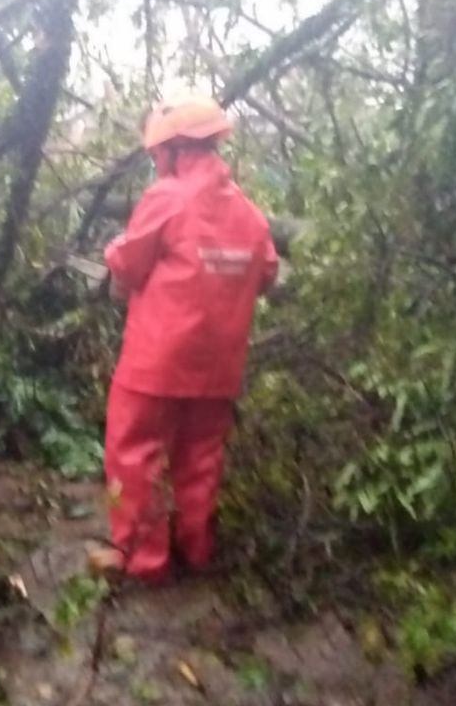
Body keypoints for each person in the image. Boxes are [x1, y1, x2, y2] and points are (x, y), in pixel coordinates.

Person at [90, 95, 279, 582]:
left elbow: (129, 265)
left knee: (134, 456)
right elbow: (267, 273)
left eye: (157, 154)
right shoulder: (250, 215)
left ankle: (142, 559)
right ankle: (195, 551)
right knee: (200, 459)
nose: (155, 164)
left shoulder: (166, 198)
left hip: (156, 362)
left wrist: (113, 252)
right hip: (218, 367)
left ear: (174, 149)